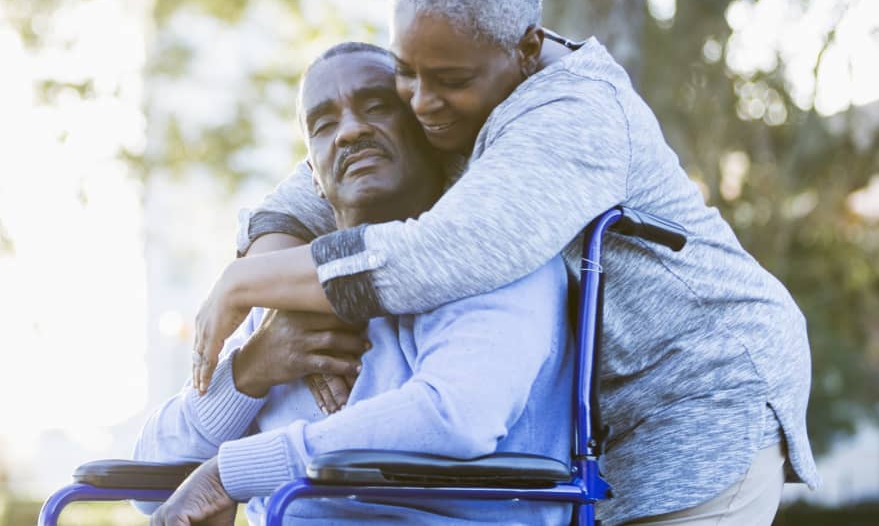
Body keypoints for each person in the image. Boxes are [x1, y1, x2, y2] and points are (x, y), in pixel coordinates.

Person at [192, 0, 821, 525]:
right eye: (405, 74)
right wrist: (273, 291)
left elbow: (438, 256)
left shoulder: (573, 116)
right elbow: (305, 190)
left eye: (448, 80)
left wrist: (245, 286)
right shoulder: (455, 80)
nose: (421, 103)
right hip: (603, 415)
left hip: (703, 387)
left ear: (525, 48)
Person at [137, 42, 574, 525]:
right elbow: (147, 482)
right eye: (324, 124)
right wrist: (252, 370)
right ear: (313, 181)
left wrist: (230, 472)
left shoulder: (494, 248)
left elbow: (457, 417)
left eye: (376, 107)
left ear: (431, 134)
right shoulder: (284, 292)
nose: (350, 131)